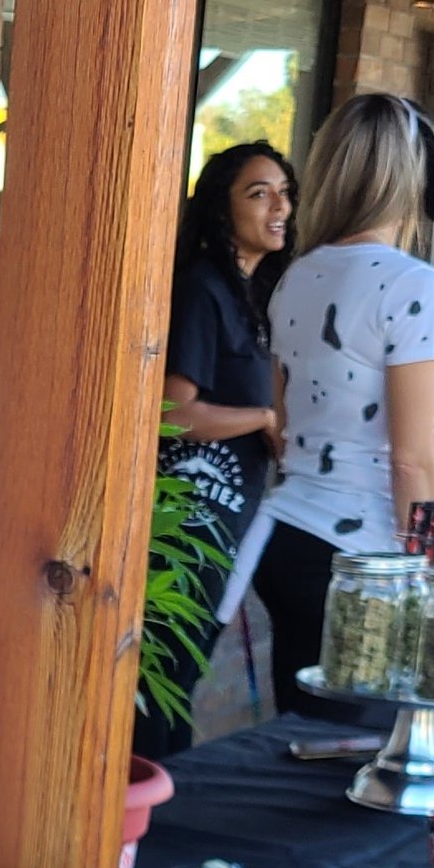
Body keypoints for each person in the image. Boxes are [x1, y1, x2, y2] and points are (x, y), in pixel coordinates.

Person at [255, 91, 434, 703]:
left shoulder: (297, 275)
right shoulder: (412, 284)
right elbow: (412, 458)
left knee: (302, 737)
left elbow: (286, 427)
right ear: (410, 178)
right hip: (365, 558)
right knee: (369, 743)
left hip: (288, 536)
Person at [136, 138, 294, 755]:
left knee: (181, 680)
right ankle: (148, 798)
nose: (279, 207)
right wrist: (263, 417)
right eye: (259, 194)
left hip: (225, 524)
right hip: (186, 526)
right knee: (164, 682)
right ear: (221, 208)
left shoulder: (254, 293)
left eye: (284, 193)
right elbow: (172, 415)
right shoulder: (204, 288)